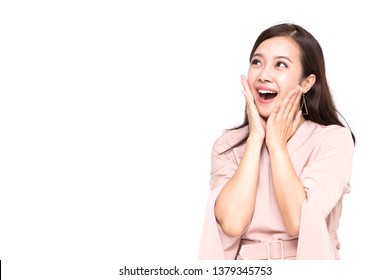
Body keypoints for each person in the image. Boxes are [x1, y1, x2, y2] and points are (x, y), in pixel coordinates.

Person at [198, 22, 355, 260]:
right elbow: (231, 223)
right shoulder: (228, 145)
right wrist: (255, 139)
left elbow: (299, 221)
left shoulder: (332, 139)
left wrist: (276, 145)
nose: (263, 75)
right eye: (257, 62)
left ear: (306, 82)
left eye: (280, 64)